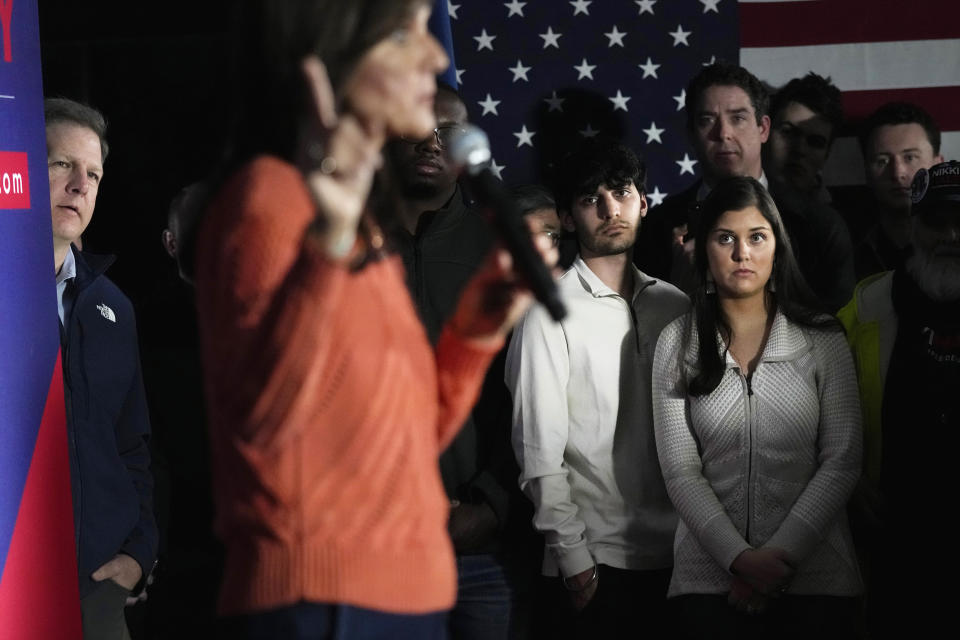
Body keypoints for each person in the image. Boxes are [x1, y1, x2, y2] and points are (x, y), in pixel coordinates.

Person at [189, 1, 555, 637]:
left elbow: (404, 438)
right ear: (333, 50)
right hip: (326, 599)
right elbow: (268, 424)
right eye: (403, 32)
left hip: (403, 595)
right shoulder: (269, 201)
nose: (437, 56)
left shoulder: (363, 228)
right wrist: (328, 246)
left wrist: (475, 329)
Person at [652, 177, 863, 639]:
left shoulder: (823, 338)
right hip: (709, 583)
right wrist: (739, 560)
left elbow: (842, 461)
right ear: (704, 249)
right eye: (725, 237)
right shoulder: (677, 341)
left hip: (816, 582)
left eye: (756, 237)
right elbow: (680, 470)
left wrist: (777, 562)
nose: (741, 253)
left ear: (777, 247)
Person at [506, 139, 689, 639]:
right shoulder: (547, 313)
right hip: (594, 565)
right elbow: (537, 452)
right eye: (590, 200)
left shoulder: (676, 304)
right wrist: (574, 561)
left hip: (682, 556)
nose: (610, 209)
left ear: (644, 203)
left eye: (622, 193)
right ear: (567, 219)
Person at [387, 83, 519, 640]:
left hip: (480, 547)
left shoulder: (503, 250)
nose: (434, 142)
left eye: (451, 131)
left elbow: (531, 398)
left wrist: (490, 505)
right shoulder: (343, 249)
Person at [46, 97, 158, 640]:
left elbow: (130, 443)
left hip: (96, 592)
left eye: (93, 173)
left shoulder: (112, 308)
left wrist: (139, 552)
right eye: (61, 164)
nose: (80, 184)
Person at [838, 160, 960, 637]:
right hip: (891, 539)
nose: (950, 235)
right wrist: (846, 477)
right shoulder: (868, 305)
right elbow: (813, 403)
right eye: (935, 221)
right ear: (912, 224)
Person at [635, 62, 855, 312]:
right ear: (691, 133)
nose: (724, 133)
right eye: (707, 120)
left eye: (738, 118)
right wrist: (676, 292)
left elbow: (836, 332)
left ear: (763, 128)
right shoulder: (655, 230)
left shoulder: (819, 228)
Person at [855, 102, 944, 279]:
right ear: (866, 172)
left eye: (910, 158)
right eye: (882, 161)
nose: (897, 173)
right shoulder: (850, 251)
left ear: (938, 165)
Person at [765, 73, 844, 204]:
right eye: (788, 132)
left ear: (826, 156)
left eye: (816, 142)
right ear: (764, 132)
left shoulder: (837, 222)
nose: (800, 149)